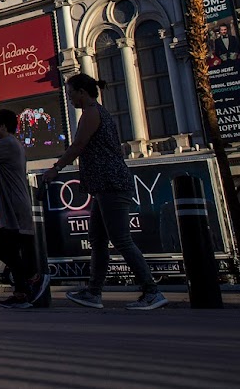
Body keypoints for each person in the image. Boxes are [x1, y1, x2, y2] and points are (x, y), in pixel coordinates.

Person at [43, 73, 168, 310]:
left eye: (70, 94)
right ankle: (93, 292)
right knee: (98, 240)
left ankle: (152, 291)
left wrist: (56, 168)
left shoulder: (91, 113)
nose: (69, 99)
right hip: (104, 186)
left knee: (120, 239)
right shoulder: (96, 112)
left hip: (112, 183)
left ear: (82, 92)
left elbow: (78, 145)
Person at [0, 109, 45, 309]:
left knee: (0, 247)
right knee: (10, 249)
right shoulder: (12, 145)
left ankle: (33, 277)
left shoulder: (7, 144)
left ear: (4, 126)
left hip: (14, 209)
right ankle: (21, 293)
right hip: (12, 208)